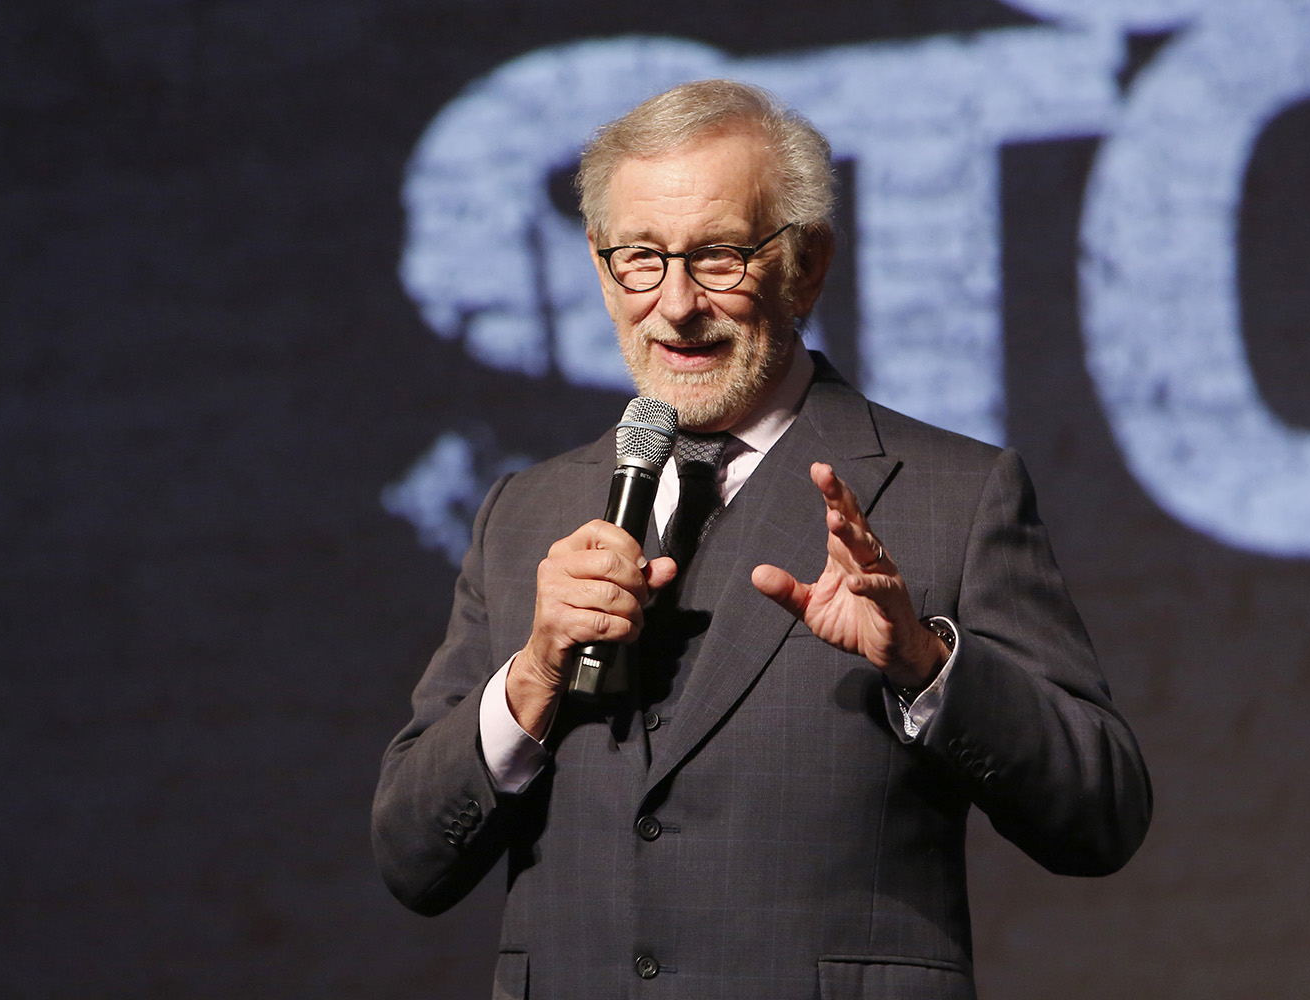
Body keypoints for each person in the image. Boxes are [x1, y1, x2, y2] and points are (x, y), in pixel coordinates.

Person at [373, 79, 1151, 1000]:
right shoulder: (527, 513)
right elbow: (413, 858)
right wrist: (534, 674)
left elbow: (1101, 815)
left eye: (719, 258)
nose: (675, 305)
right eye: (640, 259)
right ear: (598, 264)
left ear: (807, 264)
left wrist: (929, 667)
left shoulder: (955, 494)